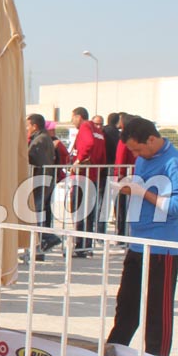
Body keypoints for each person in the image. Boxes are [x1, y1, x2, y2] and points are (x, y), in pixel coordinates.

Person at [106, 117, 178, 356]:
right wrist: (129, 188)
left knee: (157, 311)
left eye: (137, 149)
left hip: (162, 247)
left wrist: (142, 192)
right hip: (138, 243)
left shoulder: (175, 163)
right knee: (126, 304)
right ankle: (113, 351)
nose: (135, 155)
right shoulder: (143, 159)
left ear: (151, 139)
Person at [70, 106, 107, 257]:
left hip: (83, 176)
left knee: (79, 211)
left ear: (79, 117)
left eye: (73, 118)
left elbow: (88, 143)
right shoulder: (97, 130)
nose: (72, 121)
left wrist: (78, 161)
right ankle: (87, 246)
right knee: (89, 213)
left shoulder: (86, 127)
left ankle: (80, 245)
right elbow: (102, 154)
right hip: (93, 176)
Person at [26, 114, 61, 256]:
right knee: (38, 215)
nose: (27, 128)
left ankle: (46, 240)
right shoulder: (44, 138)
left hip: (40, 182)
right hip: (44, 181)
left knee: (36, 215)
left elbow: (36, 160)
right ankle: (41, 246)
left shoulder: (40, 141)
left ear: (35, 126)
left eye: (28, 125)